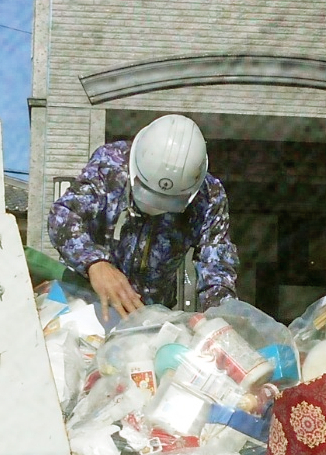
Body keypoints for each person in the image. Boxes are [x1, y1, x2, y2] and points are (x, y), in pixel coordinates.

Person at [48, 114, 238, 315]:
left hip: (148, 314)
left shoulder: (209, 196)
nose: (156, 207)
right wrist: (94, 262)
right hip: (84, 302)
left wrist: (222, 318)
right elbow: (63, 215)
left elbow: (217, 266)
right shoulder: (110, 164)